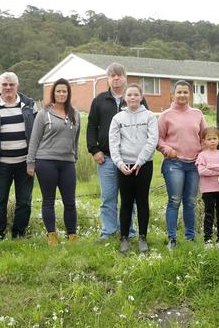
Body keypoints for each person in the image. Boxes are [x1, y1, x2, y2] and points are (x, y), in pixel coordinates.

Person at [87, 63, 145, 240]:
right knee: (108, 198)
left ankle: (130, 231)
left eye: (119, 75)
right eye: (112, 75)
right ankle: (109, 231)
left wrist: (141, 156)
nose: (116, 78)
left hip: (130, 159)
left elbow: (146, 127)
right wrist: (94, 150)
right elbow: (91, 127)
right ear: (108, 78)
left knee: (130, 198)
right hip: (107, 158)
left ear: (125, 77)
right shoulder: (100, 100)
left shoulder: (136, 98)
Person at [27, 78, 81, 246]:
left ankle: (72, 235)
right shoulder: (44, 114)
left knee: (70, 201)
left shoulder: (75, 114)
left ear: (68, 93)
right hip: (46, 162)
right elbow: (34, 139)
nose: (61, 94)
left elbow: (76, 139)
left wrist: (74, 157)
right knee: (48, 200)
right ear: (53, 93)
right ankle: (51, 235)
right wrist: (31, 162)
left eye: (64, 91)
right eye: (58, 91)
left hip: (67, 163)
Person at [108, 84, 158, 254]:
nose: (133, 97)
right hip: (124, 166)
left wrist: (140, 161)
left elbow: (152, 141)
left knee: (142, 200)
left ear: (141, 96)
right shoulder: (118, 118)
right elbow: (113, 144)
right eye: (129, 95)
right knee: (126, 202)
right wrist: (120, 163)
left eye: (136, 94)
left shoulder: (150, 117)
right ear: (125, 98)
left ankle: (142, 237)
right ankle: (124, 237)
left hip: (143, 165)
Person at [0, 72, 37, 240]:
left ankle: (19, 234)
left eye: (11, 84)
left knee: (24, 201)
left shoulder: (30, 105)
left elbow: (37, 132)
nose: (8, 88)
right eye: (4, 85)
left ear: (17, 85)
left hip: (25, 163)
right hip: (1, 164)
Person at [158, 80, 207, 250]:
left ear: (190, 94)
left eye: (185, 92)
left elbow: (204, 137)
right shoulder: (165, 115)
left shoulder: (198, 114)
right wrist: (166, 149)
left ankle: (190, 238)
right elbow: (158, 139)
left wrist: (203, 152)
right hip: (174, 163)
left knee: (190, 202)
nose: (182, 95)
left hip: (194, 164)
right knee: (174, 200)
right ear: (173, 94)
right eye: (179, 92)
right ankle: (172, 239)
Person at [196, 127, 219, 249]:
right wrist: (217, 170)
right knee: (208, 214)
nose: (212, 141)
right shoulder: (202, 155)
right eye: (209, 139)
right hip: (207, 190)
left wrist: (210, 166)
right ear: (204, 141)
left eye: (214, 138)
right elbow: (201, 171)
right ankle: (208, 240)